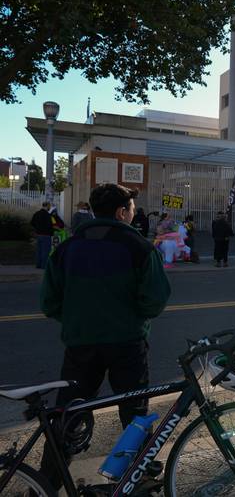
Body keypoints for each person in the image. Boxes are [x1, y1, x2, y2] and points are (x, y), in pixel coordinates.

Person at [39, 183, 170, 489]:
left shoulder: (67, 248)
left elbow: (48, 303)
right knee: (135, 414)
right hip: (127, 343)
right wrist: (132, 315)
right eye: (132, 209)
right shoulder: (138, 246)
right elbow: (155, 299)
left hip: (80, 345)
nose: (133, 214)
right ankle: (136, 477)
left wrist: (76, 319)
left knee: (69, 415)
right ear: (122, 212)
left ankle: (45, 484)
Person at [31, 202, 54, 268]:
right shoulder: (48, 215)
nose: (50, 208)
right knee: (46, 251)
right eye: (49, 206)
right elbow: (50, 225)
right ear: (47, 206)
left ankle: (38, 264)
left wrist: (37, 228)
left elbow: (32, 223)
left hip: (38, 234)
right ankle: (44, 265)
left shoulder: (37, 213)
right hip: (46, 235)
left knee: (39, 250)